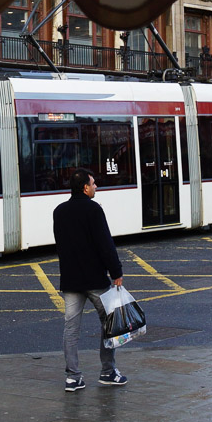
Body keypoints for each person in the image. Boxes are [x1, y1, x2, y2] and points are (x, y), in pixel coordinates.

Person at [53, 168, 127, 392]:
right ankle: (107, 371)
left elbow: (61, 245)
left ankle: (73, 377)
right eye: (94, 184)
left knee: (71, 329)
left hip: (71, 280)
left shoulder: (59, 211)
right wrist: (116, 272)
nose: (96, 187)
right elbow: (105, 243)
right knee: (108, 324)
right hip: (95, 279)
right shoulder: (94, 210)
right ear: (85, 187)